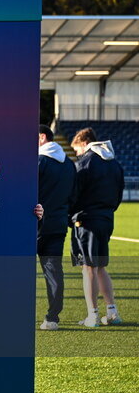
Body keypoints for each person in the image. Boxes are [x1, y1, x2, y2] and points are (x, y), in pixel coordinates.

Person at [69, 127, 125, 327]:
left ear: (84, 143)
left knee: (89, 267)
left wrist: (70, 214)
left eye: (76, 150)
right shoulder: (115, 164)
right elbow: (119, 194)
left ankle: (92, 315)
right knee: (101, 266)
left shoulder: (85, 162)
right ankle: (112, 312)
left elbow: (75, 194)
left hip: (87, 219)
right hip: (107, 217)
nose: (77, 154)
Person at [37, 125, 76, 330]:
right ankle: (52, 318)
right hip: (59, 224)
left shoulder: (39, 161)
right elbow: (74, 196)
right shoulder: (69, 164)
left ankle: (12, 314)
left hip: (35, 224)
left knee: (19, 270)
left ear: (42, 137)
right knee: (54, 272)